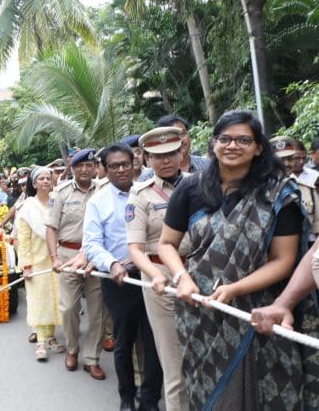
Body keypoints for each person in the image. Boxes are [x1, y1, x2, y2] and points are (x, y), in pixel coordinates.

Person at [157, 110, 316, 408]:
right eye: (225, 139)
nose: (232, 146)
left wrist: (235, 289)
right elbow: (166, 243)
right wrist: (182, 277)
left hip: (259, 308)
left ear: (258, 147)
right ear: (213, 144)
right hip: (200, 309)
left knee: (262, 387)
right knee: (208, 388)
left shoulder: (277, 193)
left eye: (244, 139)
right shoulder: (191, 188)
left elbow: (283, 260)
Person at [82, 143, 163, 411]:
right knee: (124, 341)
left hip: (154, 277)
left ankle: (150, 400)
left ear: (135, 163)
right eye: (114, 166)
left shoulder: (152, 192)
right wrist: (112, 263)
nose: (121, 170)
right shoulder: (98, 202)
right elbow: (92, 244)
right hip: (119, 281)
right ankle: (126, 397)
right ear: (104, 169)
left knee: (154, 341)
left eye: (125, 164)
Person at [125, 127, 189, 411]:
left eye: (172, 153)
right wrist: (154, 276)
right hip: (160, 280)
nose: (166, 161)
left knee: (202, 357)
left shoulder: (199, 185)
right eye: (158, 156)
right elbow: (135, 249)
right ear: (147, 159)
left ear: (181, 152)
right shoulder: (140, 195)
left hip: (200, 277)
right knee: (174, 364)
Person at [46, 149, 106, 380]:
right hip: (68, 256)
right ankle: (72, 348)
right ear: (72, 167)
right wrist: (55, 258)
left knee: (98, 310)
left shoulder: (103, 190)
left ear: (94, 167)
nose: (84, 170)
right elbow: (51, 227)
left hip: (96, 257)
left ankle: (92, 359)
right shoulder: (60, 192)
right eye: (79, 165)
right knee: (69, 307)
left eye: (89, 165)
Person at [17, 166, 64, 361]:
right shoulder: (27, 207)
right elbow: (24, 239)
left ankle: (51, 337)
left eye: (48, 178)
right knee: (38, 299)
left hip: (57, 258)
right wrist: (26, 264)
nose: (45, 181)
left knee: (54, 298)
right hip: (36, 261)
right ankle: (41, 341)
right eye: (41, 179)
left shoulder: (57, 201)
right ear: (34, 183)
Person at [270, 137, 319, 241]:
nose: (286, 164)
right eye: (280, 160)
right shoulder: (259, 190)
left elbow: (316, 223)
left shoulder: (308, 188)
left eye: (290, 158)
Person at [140, 115, 209, 181]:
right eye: (173, 137)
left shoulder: (207, 165)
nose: (180, 141)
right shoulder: (147, 177)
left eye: (183, 134)